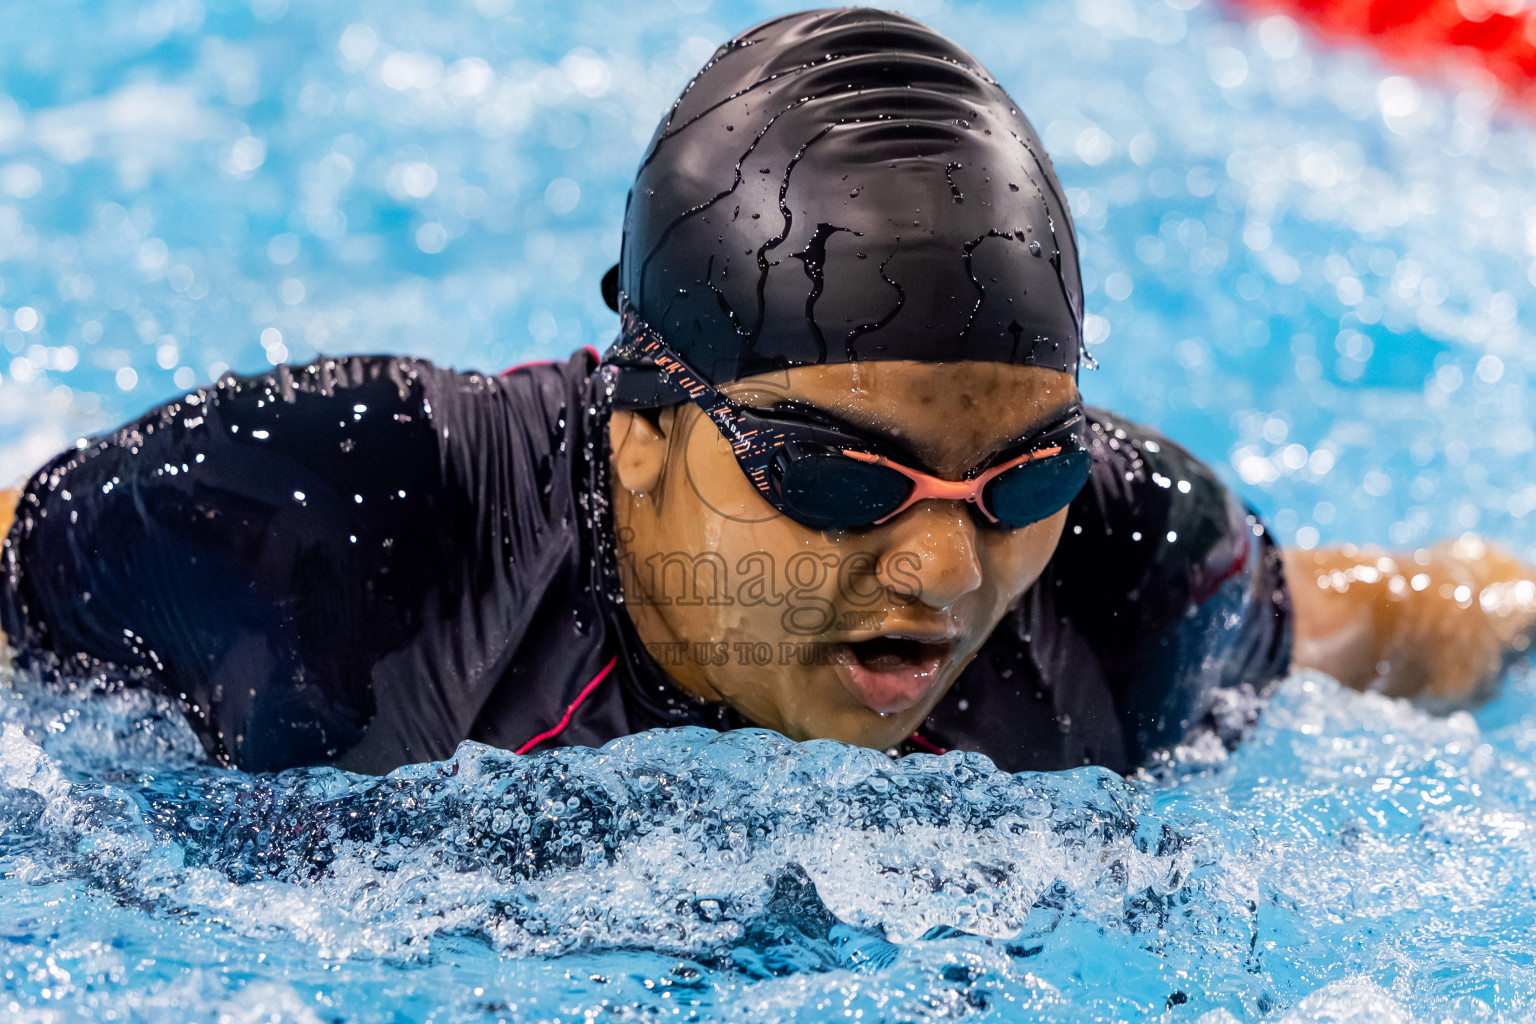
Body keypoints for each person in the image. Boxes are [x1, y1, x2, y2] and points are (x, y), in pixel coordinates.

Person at [0, 9, 1531, 776]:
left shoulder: (1138, 576)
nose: (942, 573)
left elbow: (1377, 623)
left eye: (1023, 481)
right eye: (840, 477)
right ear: (643, 427)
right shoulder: (343, 523)